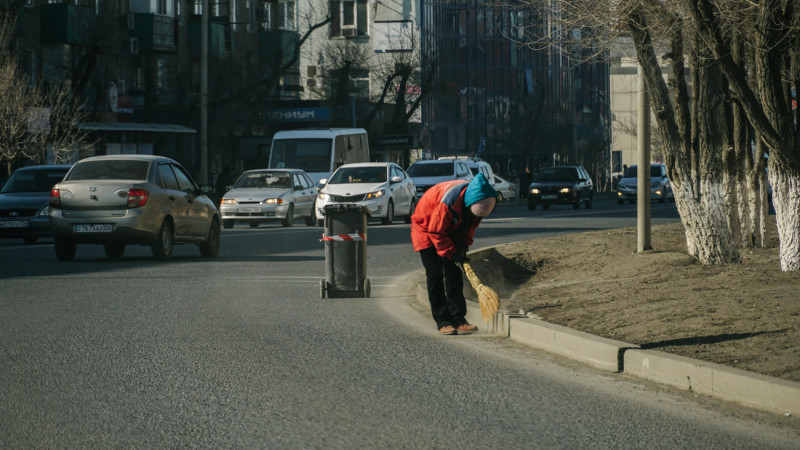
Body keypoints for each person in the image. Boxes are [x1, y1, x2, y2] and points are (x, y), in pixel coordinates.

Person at [410, 172, 498, 335]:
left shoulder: (479, 201)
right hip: (426, 227)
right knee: (435, 274)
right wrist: (451, 252)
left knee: (454, 273)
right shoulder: (448, 203)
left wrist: (463, 247)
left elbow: (469, 227)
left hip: (449, 229)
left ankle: (458, 320)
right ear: (469, 204)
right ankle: (442, 321)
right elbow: (436, 232)